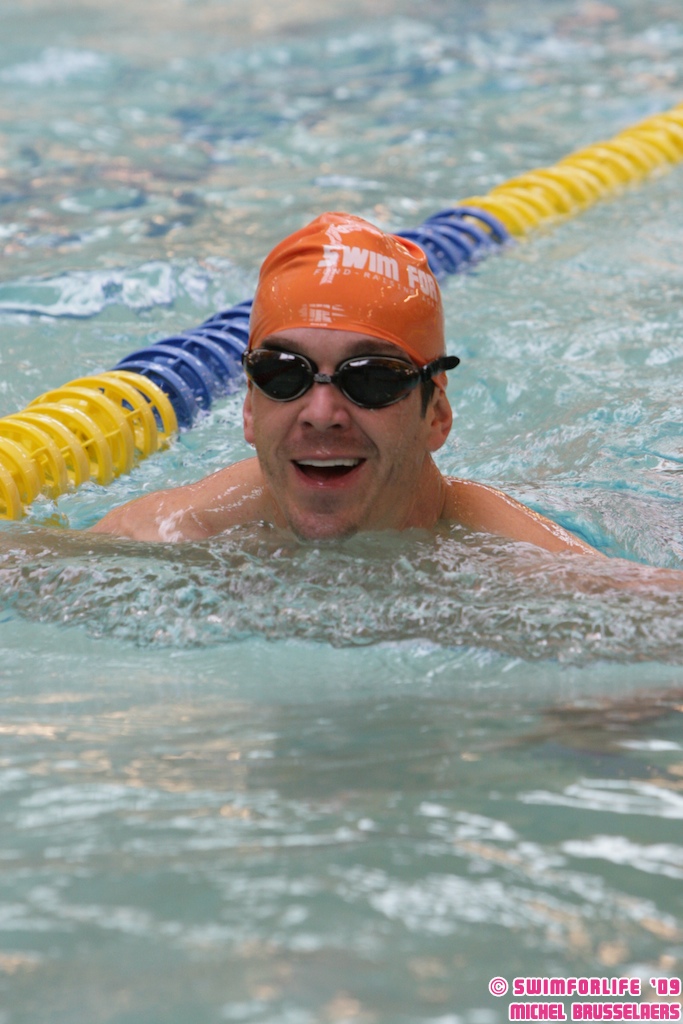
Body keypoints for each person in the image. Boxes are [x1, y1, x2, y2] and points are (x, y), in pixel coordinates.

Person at [89, 211, 600, 555]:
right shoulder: (168, 538)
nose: (321, 414)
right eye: (283, 374)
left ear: (437, 415)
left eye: (372, 378)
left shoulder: (526, 568)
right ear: (248, 406)